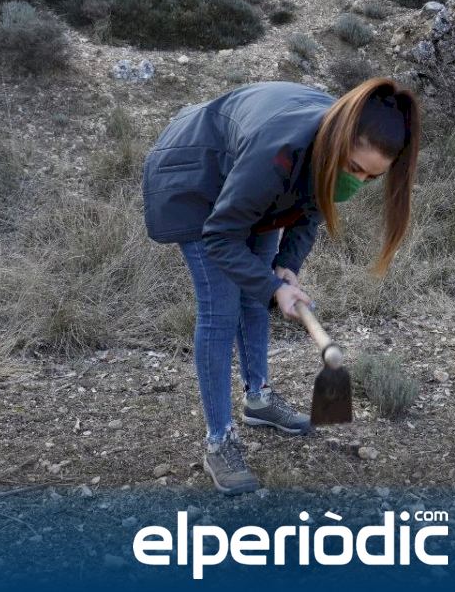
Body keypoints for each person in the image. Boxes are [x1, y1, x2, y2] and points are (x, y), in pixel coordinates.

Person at [142, 78, 421, 495]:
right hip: (196, 178)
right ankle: (219, 439)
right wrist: (273, 288)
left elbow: (313, 206)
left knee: (258, 293)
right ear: (338, 142)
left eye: (371, 177)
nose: (358, 181)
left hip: (249, 183)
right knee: (221, 309)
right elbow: (221, 236)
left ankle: (258, 397)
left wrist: (286, 268)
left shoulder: (331, 142)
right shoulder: (278, 152)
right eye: (354, 168)